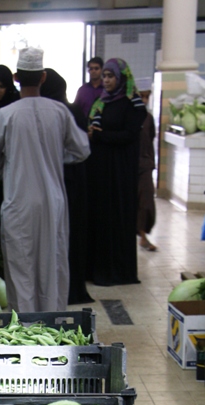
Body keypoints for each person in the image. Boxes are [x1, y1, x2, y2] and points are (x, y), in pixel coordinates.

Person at [0, 47, 90, 313]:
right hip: (52, 202)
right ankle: (53, 329)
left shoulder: (6, 115)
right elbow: (82, 150)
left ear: (17, 77)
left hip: (19, 202)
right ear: (43, 77)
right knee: (51, 265)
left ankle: (24, 333)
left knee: (21, 267)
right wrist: (54, 158)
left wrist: (12, 165)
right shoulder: (59, 112)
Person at [86, 58, 147, 286]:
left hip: (120, 172)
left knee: (118, 217)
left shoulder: (132, 104)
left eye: (111, 76)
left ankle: (119, 271)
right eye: (105, 76)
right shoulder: (103, 102)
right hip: (102, 171)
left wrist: (100, 136)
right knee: (102, 218)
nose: (107, 80)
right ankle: (99, 268)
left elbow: (129, 135)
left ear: (121, 77)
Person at [40, 68, 93, 304]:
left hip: (62, 183)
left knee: (58, 237)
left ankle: (57, 290)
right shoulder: (71, 112)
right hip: (75, 184)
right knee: (71, 236)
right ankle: (71, 287)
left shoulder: (56, 114)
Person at [136, 87, 157, 251]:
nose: (144, 100)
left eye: (147, 97)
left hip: (145, 165)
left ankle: (143, 236)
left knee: (146, 201)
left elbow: (149, 139)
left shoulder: (149, 119)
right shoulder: (131, 117)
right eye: (141, 96)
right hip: (130, 166)